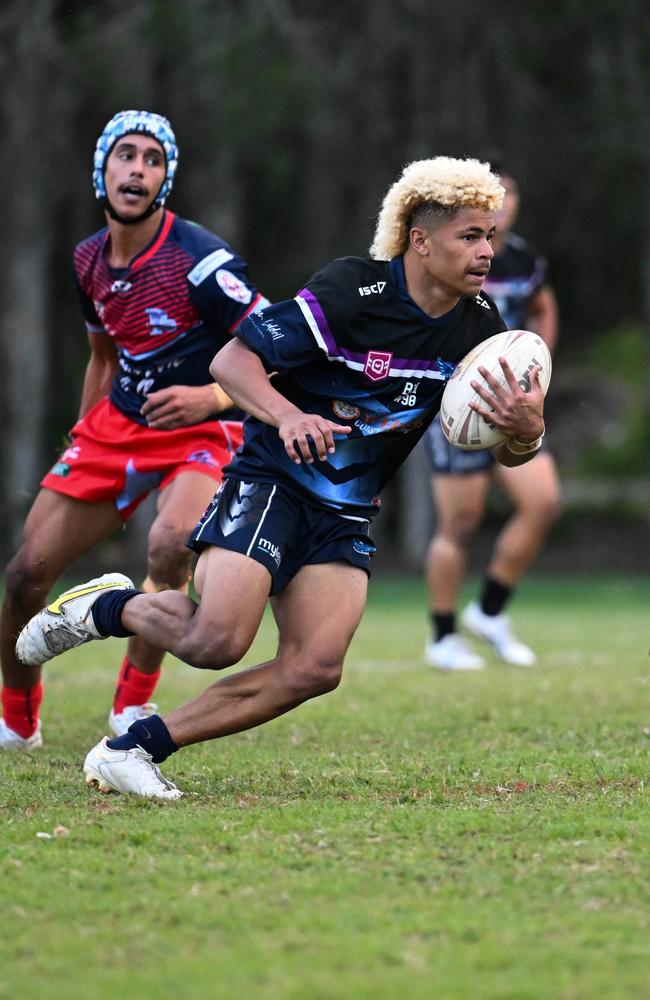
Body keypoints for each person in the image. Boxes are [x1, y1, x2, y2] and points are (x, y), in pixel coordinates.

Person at [16, 155, 548, 799]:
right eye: (471, 235)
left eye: (490, 236)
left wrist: (524, 430)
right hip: (273, 479)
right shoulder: (354, 290)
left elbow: (507, 455)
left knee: (316, 667)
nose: (487, 250)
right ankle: (108, 606)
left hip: (345, 511)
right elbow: (231, 362)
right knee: (216, 641)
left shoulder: (481, 331)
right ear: (420, 240)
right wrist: (290, 415)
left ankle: (133, 749)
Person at [0, 110, 268, 750]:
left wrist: (209, 396)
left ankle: (130, 702)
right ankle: (16, 716)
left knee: (170, 544)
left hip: (204, 431)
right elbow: (103, 356)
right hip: (116, 426)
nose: (138, 169)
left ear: (164, 179)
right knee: (25, 574)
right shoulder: (87, 259)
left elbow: (273, 347)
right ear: (103, 170)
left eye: (153, 160)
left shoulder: (200, 259)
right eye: (127, 156)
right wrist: (83, 433)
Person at [423, 158, 560, 672]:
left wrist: (541, 365)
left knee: (543, 502)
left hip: (516, 404)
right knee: (461, 522)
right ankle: (442, 636)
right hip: (459, 408)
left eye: (511, 192)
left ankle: (490, 613)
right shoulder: (449, 256)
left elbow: (544, 305)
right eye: (494, 193)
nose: (505, 202)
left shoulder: (524, 259)